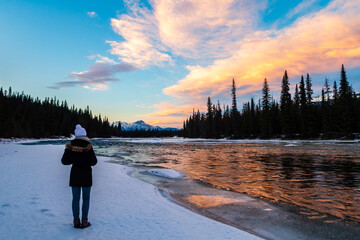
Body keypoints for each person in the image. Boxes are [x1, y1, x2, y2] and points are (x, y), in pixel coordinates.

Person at [61, 124, 97, 229]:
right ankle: (84, 221)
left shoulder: (70, 146)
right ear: (84, 135)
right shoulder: (88, 146)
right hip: (86, 176)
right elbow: (93, 162)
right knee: (86, 199)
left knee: (75, 199)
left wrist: (73, 158)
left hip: (75, 175)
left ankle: (76, 222)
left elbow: (64, 161)